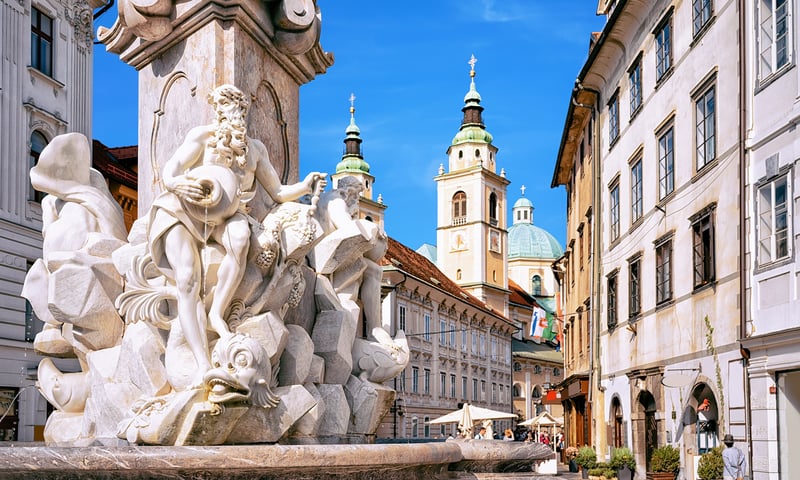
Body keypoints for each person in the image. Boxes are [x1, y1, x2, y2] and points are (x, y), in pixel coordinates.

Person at [148, 84, 325, 384]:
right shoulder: (202, 137)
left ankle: (217, 313)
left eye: (241, 112)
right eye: (230, 111)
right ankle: (202, 362)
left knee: (241, 238)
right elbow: (171, 171)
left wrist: (305, 186)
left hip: (227, 215)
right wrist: (177, 184)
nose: (237, 117)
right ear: (218, 114)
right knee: (188, 278)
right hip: (183, 210)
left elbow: (278, 191)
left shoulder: (254, 150)